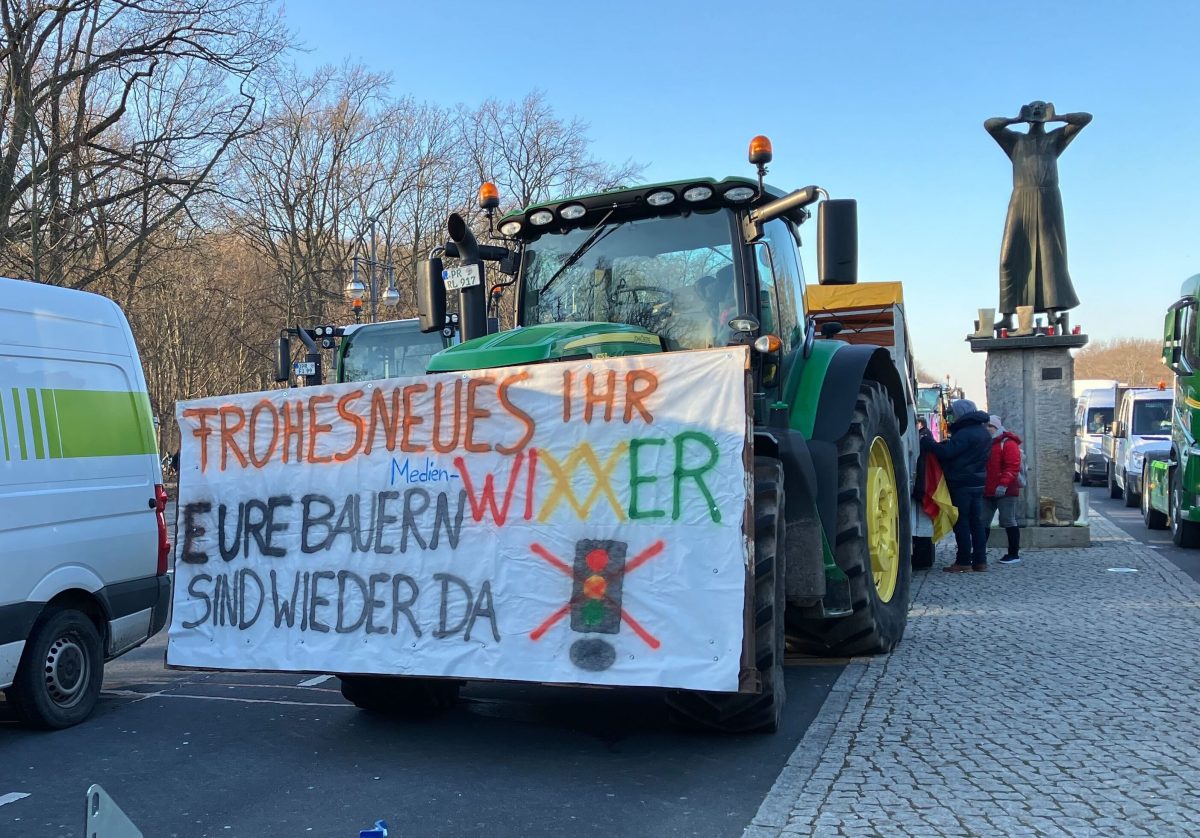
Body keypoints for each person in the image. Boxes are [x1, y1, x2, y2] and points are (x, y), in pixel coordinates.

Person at [985, 100, 1092, 332]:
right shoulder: (1015, 141)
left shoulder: (1054, 139)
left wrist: (1056, 117)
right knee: (1008, 257)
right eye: (1032, 109)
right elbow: (990, 125)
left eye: (1040, 109)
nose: (1035, 113)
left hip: (1047, 199)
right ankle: (1008, 314)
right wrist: (1016, 119)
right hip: (1021, 198)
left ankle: (1053, 312)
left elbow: (1085, 118)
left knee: (1049, 254)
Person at [919, 398, 993, 572]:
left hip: (961, 483)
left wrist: (929, 443)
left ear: (961, 413)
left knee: (962, 523)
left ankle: (964, 561)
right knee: (977, 522)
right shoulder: (983, 432)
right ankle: (980, 561)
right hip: (978, 481)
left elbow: (947, 453)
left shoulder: (965, 433)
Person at [983, 415, 1023, 565]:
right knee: (983, 522)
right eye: (986, 426)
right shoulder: (989, 443)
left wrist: (1003, 484)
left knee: (1008, 520)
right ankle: (980, 553)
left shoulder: (1008, 442)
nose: (987, 429)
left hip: (1006, 490)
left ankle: (1013, 554)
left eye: (990, 426)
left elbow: (1012, 466)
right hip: (988, 489)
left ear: (996, 427)